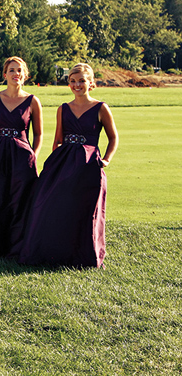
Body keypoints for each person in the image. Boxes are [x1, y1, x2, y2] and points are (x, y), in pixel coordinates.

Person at [18, 63, 118, 268]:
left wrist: (106, 159)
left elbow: (113, 138)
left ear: (91, 83)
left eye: (81, 80)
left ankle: (84, 256)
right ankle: (52, 253)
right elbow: (57, 141)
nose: (77, 85)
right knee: (50, 205)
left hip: (89, 165)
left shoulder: (101, 108)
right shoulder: (63, 108)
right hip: (63, 163)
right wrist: (53, 169)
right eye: (72, 81)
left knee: (85, 210)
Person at [0, 56, 43, 258]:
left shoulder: (33, 101)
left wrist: (34, 155)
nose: (16, 74)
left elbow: (39, 133)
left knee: (20, 201)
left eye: (19, 70)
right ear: (4, 74)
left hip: (22, 158)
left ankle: (16, 250)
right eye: (12, 70)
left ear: (26, 75)